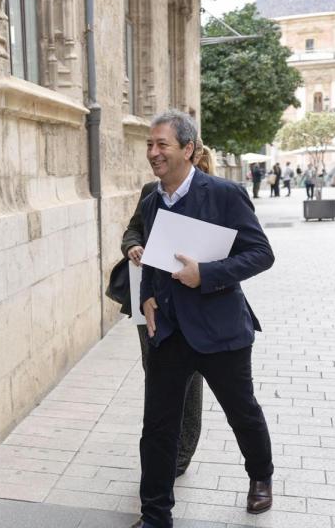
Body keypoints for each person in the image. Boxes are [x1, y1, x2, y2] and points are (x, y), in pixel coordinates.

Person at [130, 111, 274, 528]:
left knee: (242, 412)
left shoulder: (225, 194)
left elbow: (261, 253)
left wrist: (205, 274)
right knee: (157, 426)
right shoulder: (151, 200)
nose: (153, 153)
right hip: (169, 333)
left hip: (221, 332)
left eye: (162, 145)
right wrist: (148, 299)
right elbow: (153, 262)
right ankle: (156, 514)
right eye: (149, 145)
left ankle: (260, 476)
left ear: (188, 149)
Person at [121, 142, 218, 480]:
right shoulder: (152, 191)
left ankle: (181, 453)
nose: (157, 156)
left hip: (192, 303)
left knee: (190, 378)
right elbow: (133, 228)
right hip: (150, 299)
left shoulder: (211, 191)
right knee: (156, 375)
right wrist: (133, 244)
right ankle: (161, 450)